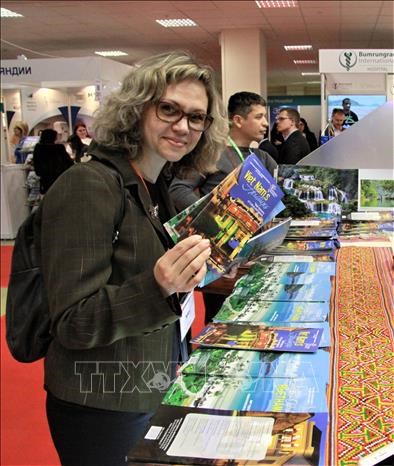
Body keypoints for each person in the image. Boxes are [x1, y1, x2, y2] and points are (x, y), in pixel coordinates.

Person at [39, 51, 228, 466]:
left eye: (197, 117)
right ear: (136, 109)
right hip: (103, 402)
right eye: (168, 109)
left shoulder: (154, 182)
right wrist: (157, 285)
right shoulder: (88, 185)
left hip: (150, 383)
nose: (183, 126)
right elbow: (72, 321)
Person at [169, 91, 277, 323]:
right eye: (258, 117)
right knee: (219, 321)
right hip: (221, 254)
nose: (266, 123)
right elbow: (178, 190)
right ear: (238, 120)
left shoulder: (264, 158)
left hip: (254, 255)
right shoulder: (213, 154)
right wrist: (213, 215)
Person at [33, 128, 74, 194]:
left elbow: (37, 166)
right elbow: (68, 163)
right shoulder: (59, 148)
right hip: (59, 180)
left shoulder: (38, 148)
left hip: (45, 180)